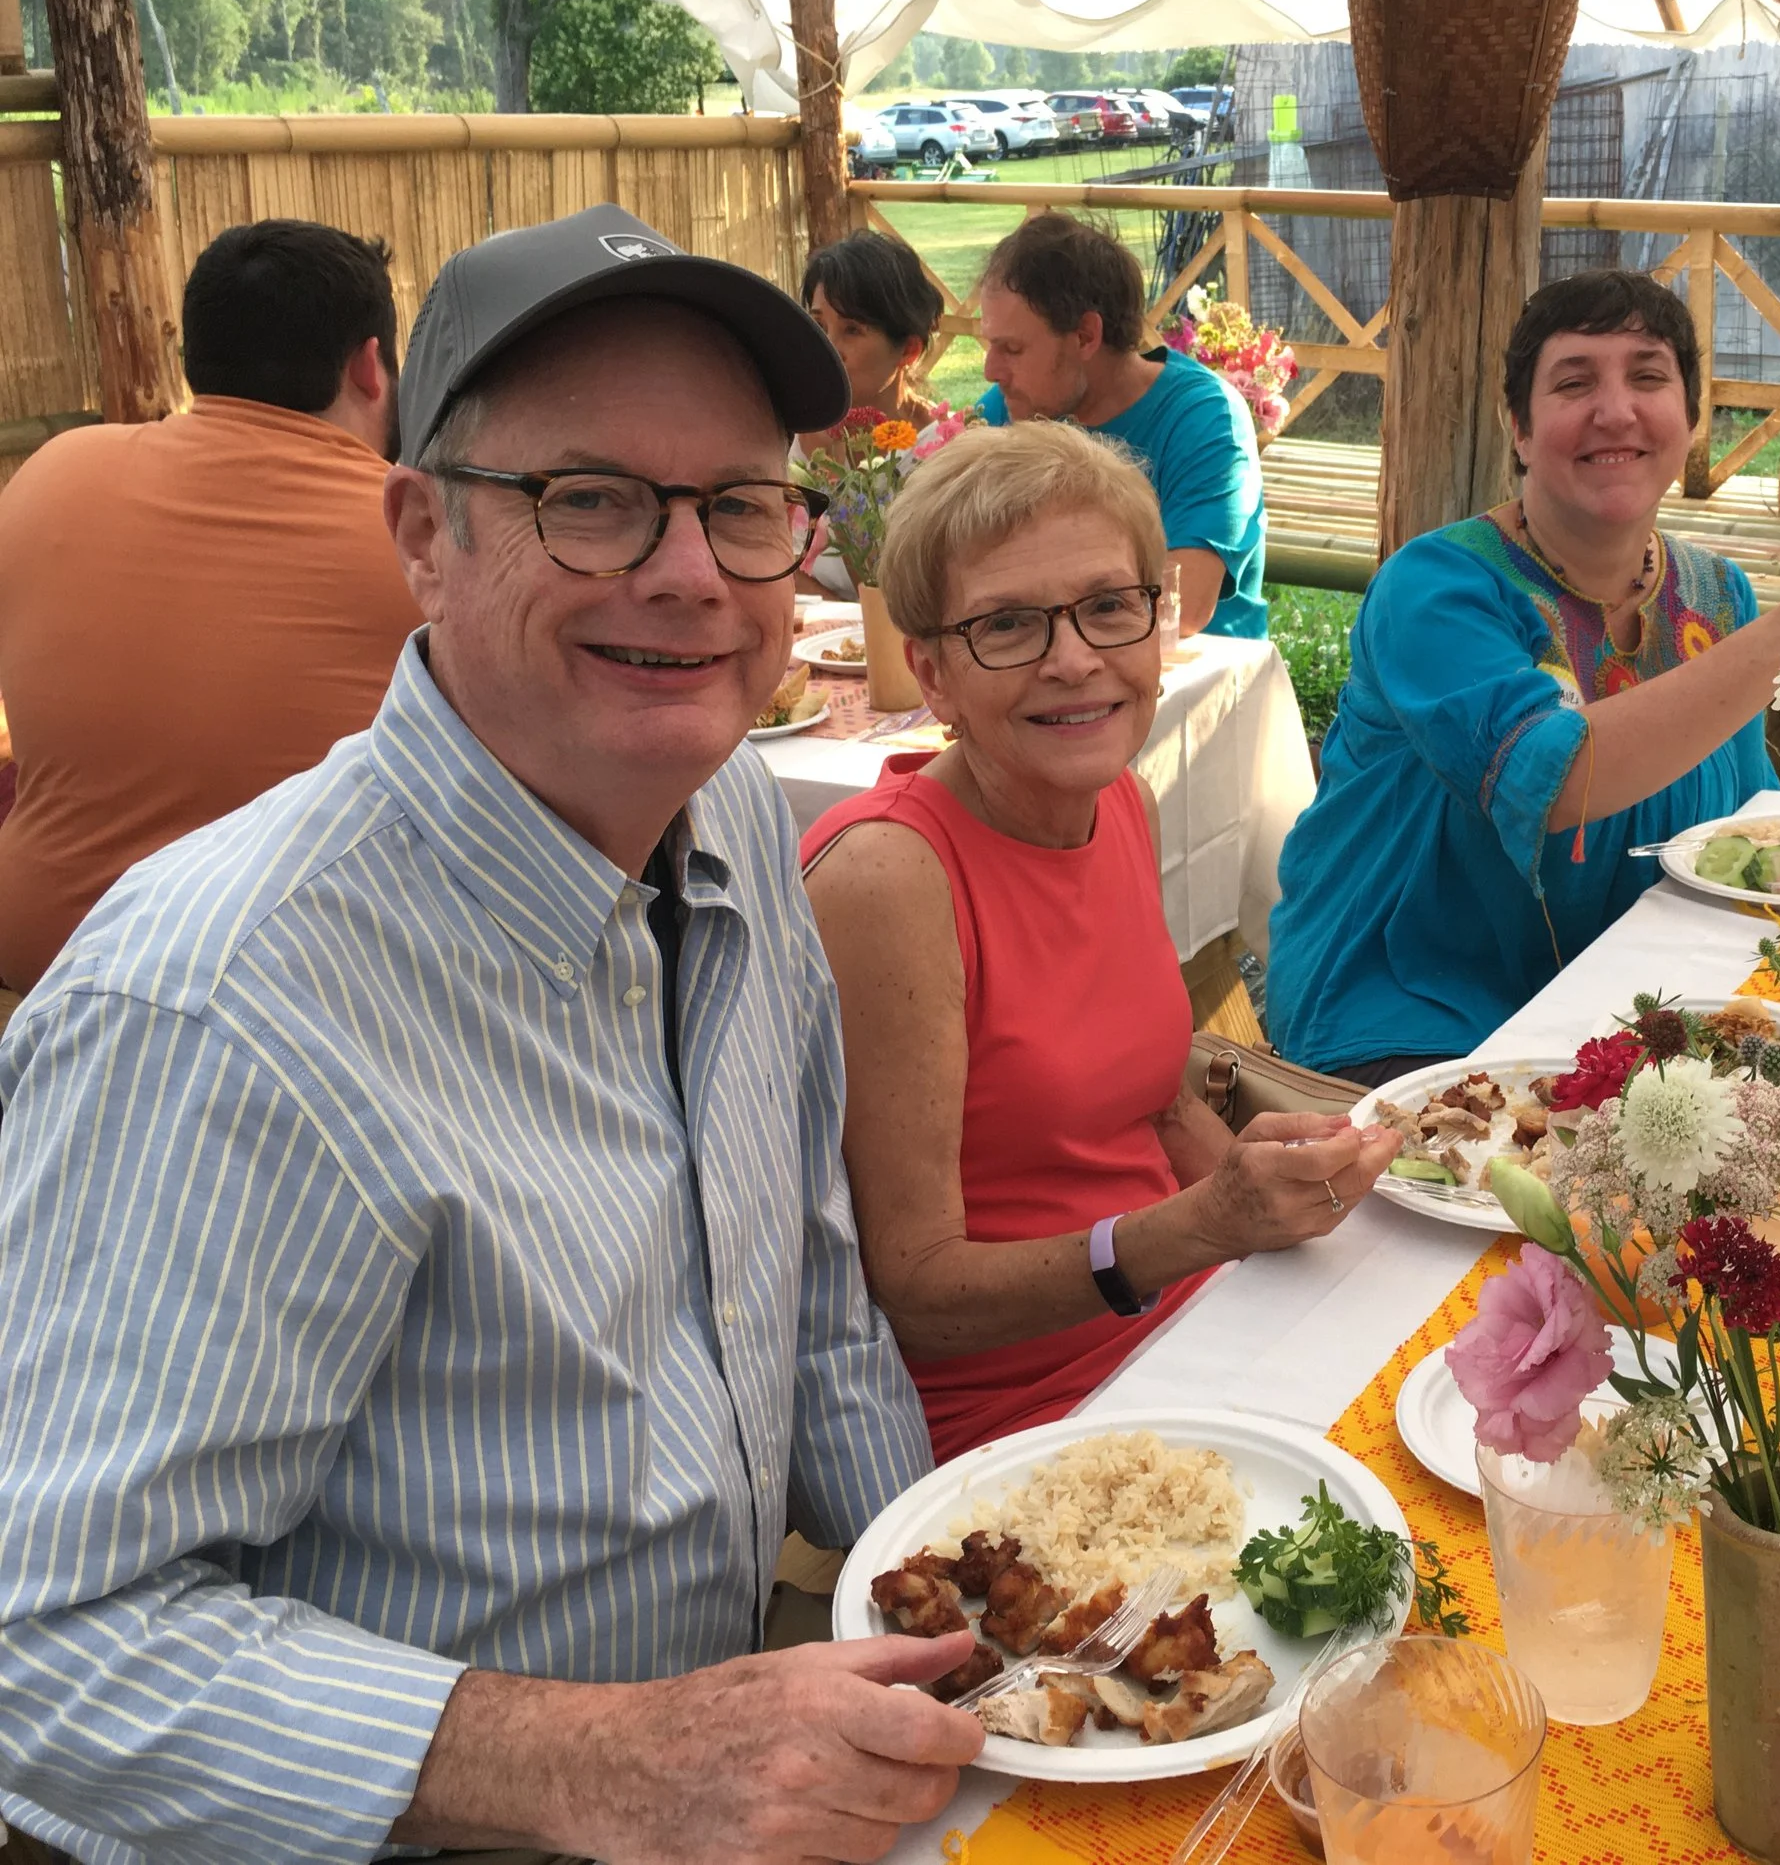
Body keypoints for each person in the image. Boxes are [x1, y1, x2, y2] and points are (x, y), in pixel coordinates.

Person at [0, 202, 982, 1865]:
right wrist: (602, 1766)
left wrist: (952, 1599)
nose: (685, 574)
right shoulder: (220, 1004)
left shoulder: (731, 802)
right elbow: (46, 1645)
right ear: (422, 532)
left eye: (740, 506)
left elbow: (807, 1286)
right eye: (588, 501)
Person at [801, 419, 1400, 1462]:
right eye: (1006, 625)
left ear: (1158, 624)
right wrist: (1205, 1230)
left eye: (1108, 608)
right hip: (1030, 1421)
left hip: (1192, 1325)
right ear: (931, 675)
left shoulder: (1118, 797)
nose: (1074, 660)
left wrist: (1286, 1222)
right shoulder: (886, 878)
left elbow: (1159, 1103)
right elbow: (917, 1290)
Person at [1265, 270, 1780, 1084]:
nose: (1616, 410)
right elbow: (1556, 778)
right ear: (1520, 430)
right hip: (1412, 1001)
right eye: (1573, 382)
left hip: (1635, 995)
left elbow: (1741, 829)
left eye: (1647, 375)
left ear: (1690, 419)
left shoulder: (1717, 595)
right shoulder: (1437, 590)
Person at [0, 218, 419, 995]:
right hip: (283, 994)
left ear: (196, 359)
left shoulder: (50, 475)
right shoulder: (420, 543)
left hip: (38, 970)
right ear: (371, 366)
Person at [973, 212, 1269, 640]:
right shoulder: (1008, 408)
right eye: (989, 346)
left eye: (1012, 348)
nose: (990, 369)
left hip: (1190, 687)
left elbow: (1181, 607)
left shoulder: (1205, 418)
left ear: (1085, 337)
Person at [799, 229, 946, 438]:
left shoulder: (939, 448)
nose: (827, 349)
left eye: (852, 330)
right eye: (819, 326)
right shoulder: (784, 425)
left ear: (908, 350)